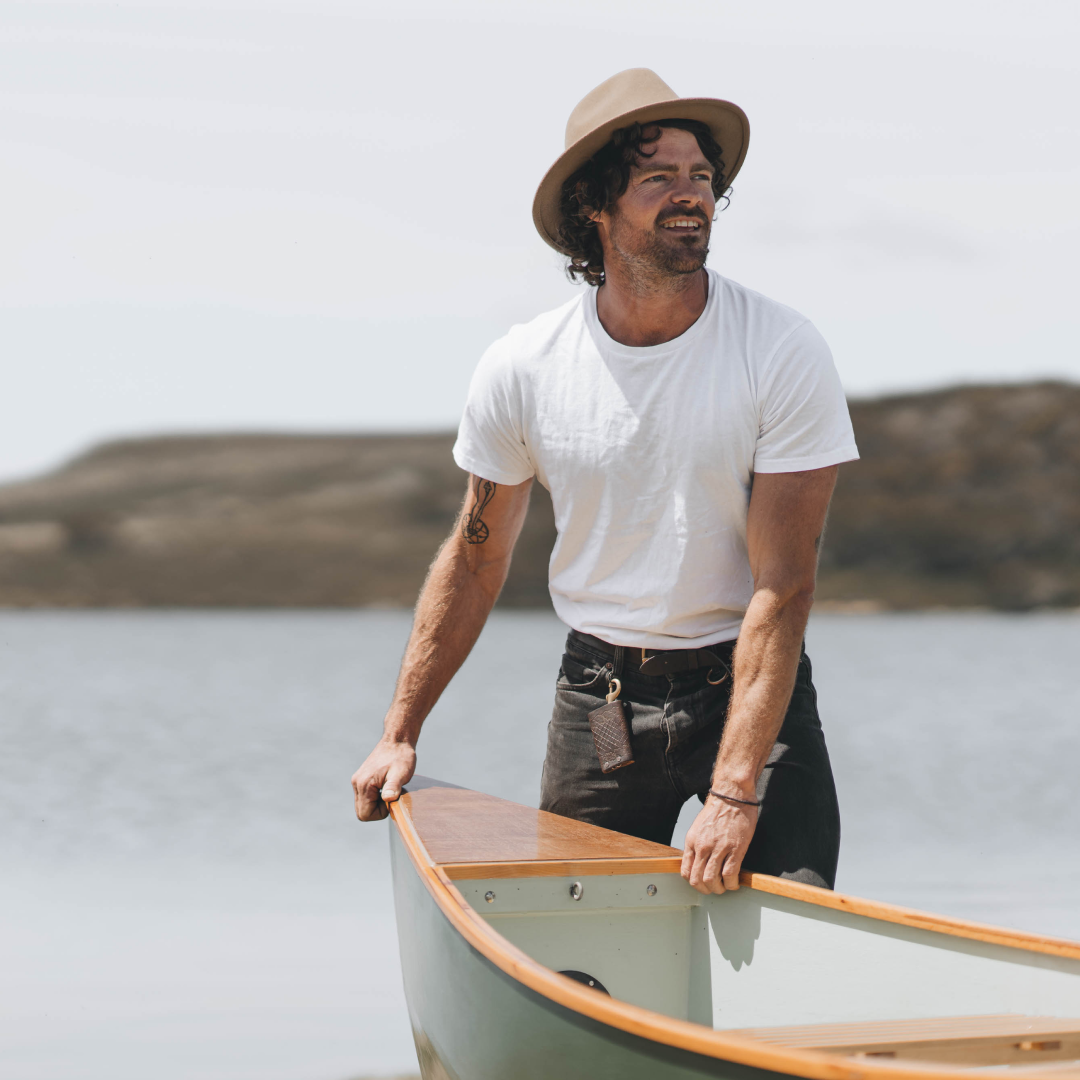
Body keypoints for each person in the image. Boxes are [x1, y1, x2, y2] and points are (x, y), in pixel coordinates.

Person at [352, 68, 859, 895]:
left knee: (791, 926)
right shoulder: (523, 366)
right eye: (659, 176)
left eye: (701, 176)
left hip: (748, 682)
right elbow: (476, 558)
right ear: (595, 203)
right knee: (577, 952)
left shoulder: (780, 349)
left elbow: (784, 585)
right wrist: (400, 731)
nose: (689, 194)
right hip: (601, 701)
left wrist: (734, 790)